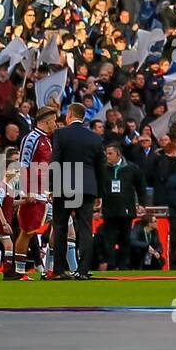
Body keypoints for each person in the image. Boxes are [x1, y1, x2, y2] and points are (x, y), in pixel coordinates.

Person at [51, 103, 105, 280]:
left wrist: (51, 186)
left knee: (60, 227)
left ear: (70, 114)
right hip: (87, 187)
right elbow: (101, 168)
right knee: (85, 228)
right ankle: (82, 271)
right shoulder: (95, 138)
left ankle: (59, 270)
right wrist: (99, 193)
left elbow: (56, 161)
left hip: (65, 185)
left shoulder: (60, 134)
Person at [7, 104, 57, 280]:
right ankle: (19, 272)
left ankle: (50, 270)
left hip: (43, 190)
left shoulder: (46, 140)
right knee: (27, 231)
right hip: (33, 190)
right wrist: (25, 190)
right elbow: (23, 164)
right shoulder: (32, 138)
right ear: (46, 121)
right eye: (54, 121)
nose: (55, 124)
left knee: (61, 225)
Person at [99, 142, 146, 270]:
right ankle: (111, 265)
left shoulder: (132, 168)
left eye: (110, 153)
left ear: (118, 154)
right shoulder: (103, 169)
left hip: (126, 210)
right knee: (109, 240)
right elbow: (98, 187)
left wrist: (142, 204)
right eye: (106, 153)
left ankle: (124, 265)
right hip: (109, 210)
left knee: (125, 239)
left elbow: (141, 186)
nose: (107, 156)